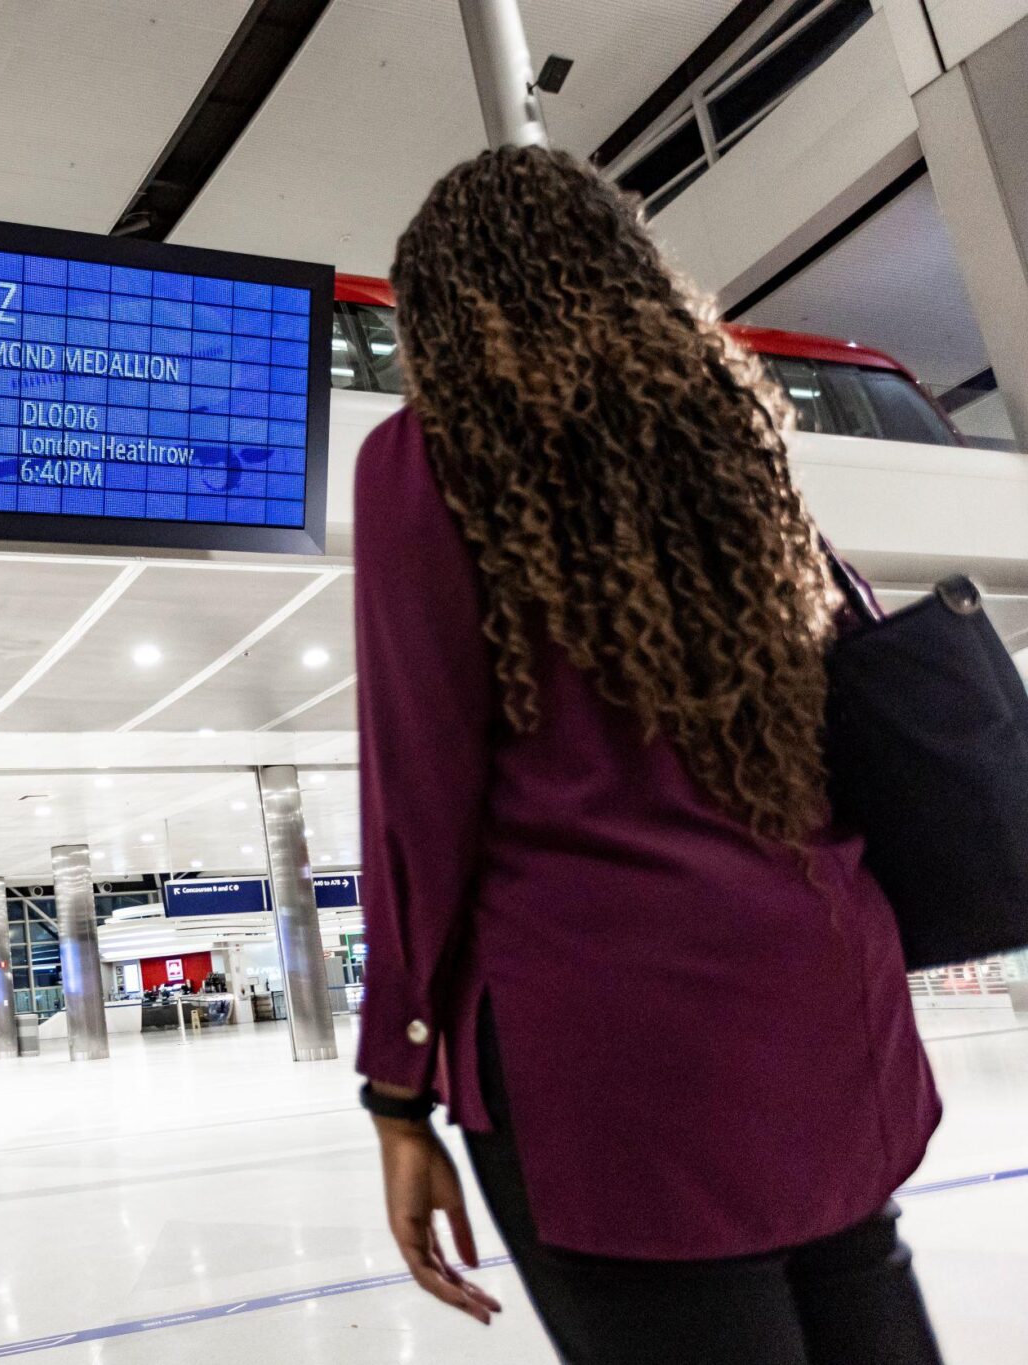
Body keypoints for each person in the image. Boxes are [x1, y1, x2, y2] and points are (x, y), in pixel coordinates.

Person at [353, 146, 943, 1364]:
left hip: (603, 1054)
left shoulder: (426, 461)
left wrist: (395, 1085)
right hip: (824, 1002)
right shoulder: (734, 443)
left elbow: (418, 797)